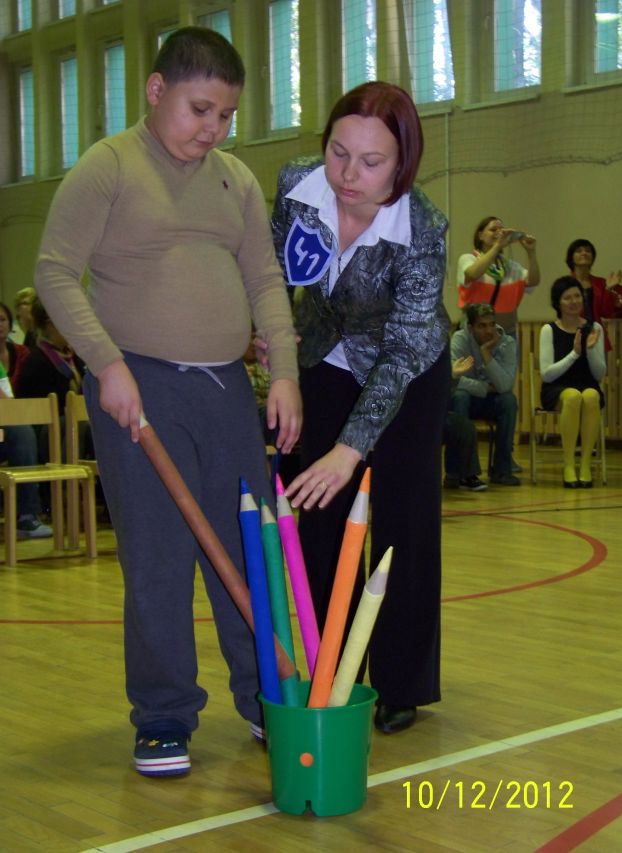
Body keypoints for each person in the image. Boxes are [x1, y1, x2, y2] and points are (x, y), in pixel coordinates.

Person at [34, 27, 301, 778]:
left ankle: (265, 697)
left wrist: (284, 370)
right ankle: (163, 716)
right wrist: (107, 364)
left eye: (226, 115)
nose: (213, 128)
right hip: (139, 387)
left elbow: (265, 280)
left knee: (248, 551)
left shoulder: (234, 179)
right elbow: (54, 271)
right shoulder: (108, 166)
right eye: (199, 110)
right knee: (157, 558)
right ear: (156, 91)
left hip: (225, 390)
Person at [271, 81, 451, 735]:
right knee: (319, 517)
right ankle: (330, 673)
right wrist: (272, 342)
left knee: (402, 523)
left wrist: (350, 450)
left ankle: (401, 682)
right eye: (338, 153)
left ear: (402, 164)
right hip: (325, 355)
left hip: (408, 371)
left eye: (371, 162)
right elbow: (269, 275)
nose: (348, 175)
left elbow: (401, 353)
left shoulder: (424, 229)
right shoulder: (296, 187)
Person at [539, 277, 606, 488]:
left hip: (587, 383)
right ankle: (568, 464)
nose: (573, 301)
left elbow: (599, 373)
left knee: (591, 395)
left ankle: (585, 465)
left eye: (577, 296)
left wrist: (591, 350)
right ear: (558, 303)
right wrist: (575, 353)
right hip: (557, 387)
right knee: (573, 396)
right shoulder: (549, 329)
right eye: (567, 298)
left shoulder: (594, 328)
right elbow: (547, 374)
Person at [449, 303, 520, 486]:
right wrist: (485, 387)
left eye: (492, 324)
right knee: (459, 397)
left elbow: (504, 386)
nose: (489, 331)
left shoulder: (507, 342)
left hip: (491, 401)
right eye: (482, 326)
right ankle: (461, 473)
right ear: (471, 327)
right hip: (466, 399)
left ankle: (502, 470)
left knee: (509, 401)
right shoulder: (460, 339)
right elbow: (453, 380)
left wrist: (486, 353)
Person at [0, 300, 53, 539]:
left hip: (4, 432)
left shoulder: (17, 357)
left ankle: (26, 516)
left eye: (2, 320)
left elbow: (9, 403)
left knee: (21, 430)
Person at [457, 215, 540, 339]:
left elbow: (533, 281)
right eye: (493, 230)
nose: (499, 233)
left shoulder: (509, 266)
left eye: (501, 230)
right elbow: (472, 274)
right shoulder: (468, 259)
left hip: (506, 333)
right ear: (480, 235)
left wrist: (531, 252)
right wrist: (497, 246)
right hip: (475, 333)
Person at [565, 238, 622, 352]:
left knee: (599, 364)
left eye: (588, 250)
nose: (584, 253)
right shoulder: (565, 283)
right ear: (571, 257)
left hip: (596, 336)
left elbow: (607, 313)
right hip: (572, 336)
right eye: (579, 251)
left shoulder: (600, 283)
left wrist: (609, 289)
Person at [443, 355, 488, 492]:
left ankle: (461, 475)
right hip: (407, 418)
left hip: (431, 416)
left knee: (463, 426)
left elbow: (441, 395)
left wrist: (453, 375)